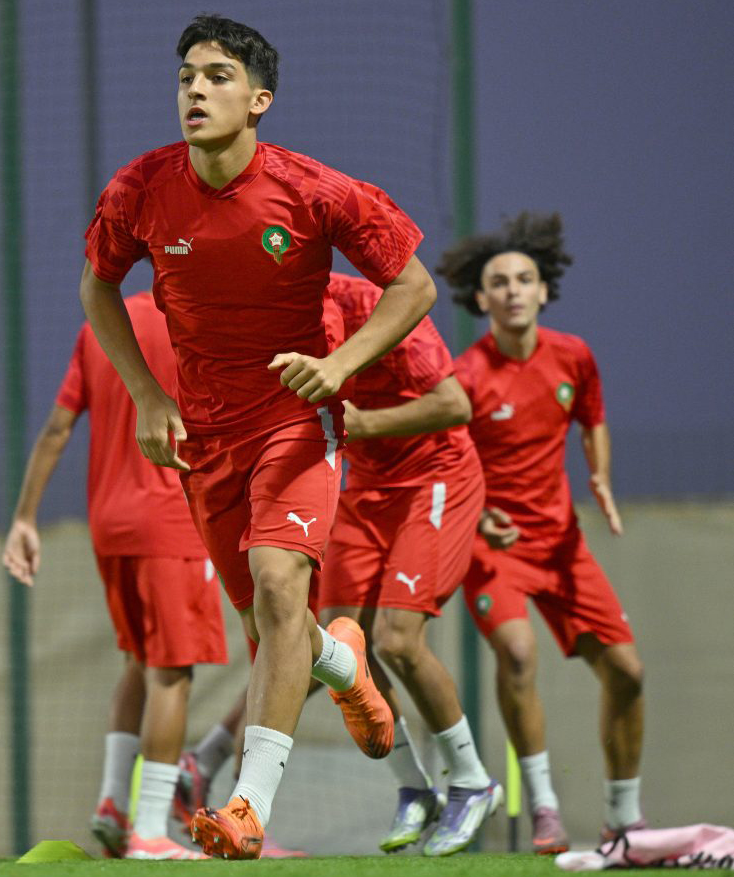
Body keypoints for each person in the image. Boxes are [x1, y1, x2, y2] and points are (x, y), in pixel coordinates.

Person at [80, 13, 438, 859]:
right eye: (185, 78)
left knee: (281, 588)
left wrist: (339, 364)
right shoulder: (140, 188)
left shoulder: (313, 189)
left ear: (258, 100)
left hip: (293, 423)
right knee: (269, 620)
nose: (195, 91)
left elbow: (414, 285)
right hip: (206, 439)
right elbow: (97, 288)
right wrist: (147, 394)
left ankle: (246, 807)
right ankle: (345, 668)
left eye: (216, 77)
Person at [438, 212, 646, 854]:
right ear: (481, 298)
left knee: (627, 672)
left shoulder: (573, 356)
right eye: (499, 282)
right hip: (492, 547)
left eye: (524, 279)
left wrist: (600, 476)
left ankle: (623, 818)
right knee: (519, 655)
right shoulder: (466, 377)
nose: (513, 291)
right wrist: (477, 516)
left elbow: (592, 418)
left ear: (544, 290)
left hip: (561, 546)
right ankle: (544, 808)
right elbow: (446, 462)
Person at [2, 292, 226, 860]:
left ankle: (113, 803)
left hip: (109, 522)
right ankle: (149, 831)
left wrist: (24, 519)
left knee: (139, 661)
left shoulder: (103, 324)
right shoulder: (206, 318)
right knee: (171, 675)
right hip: (172, 519)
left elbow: (57, 428)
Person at [317, 272, 501, 857]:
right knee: (341, 647)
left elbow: (454, 404)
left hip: (434, 478)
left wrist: (365, 424)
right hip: (365, 485)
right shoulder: (267, 313)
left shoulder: (376, 305)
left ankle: (472, 782)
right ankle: (415, 788)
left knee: (398, 640)